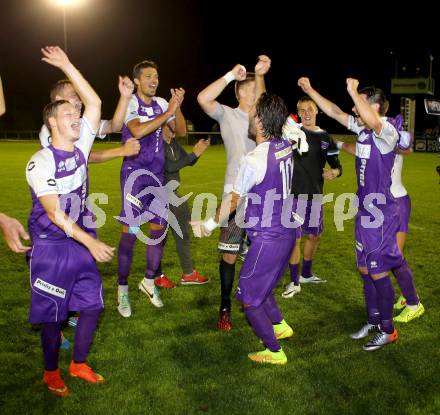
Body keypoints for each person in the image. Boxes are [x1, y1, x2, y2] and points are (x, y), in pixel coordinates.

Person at [298, 77, 416, 351]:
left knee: (377, 272)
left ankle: (388, 329)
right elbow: (335, 112)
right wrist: (310, 90)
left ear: (373, 106)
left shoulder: (384, 131)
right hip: (365, 211)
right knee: (364, 268)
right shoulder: (363, 131)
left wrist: (353, 91)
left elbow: (374, 122)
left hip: (381, 214)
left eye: (358, 103)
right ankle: (374, 321)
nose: (353, 109)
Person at [26, 46, 114, 396]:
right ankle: (51, 372)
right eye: (68, 112)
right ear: (51, 123)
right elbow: (52, 213)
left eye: (77, 112)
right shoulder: (41, 161)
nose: (77, 115)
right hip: (51, 248)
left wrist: (66, 64)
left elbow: (94, 103)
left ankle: (78, 363)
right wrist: (90, 241)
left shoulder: (81, 145)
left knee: (92, 305)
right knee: (52, 317)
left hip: (80, 241)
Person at [191, 93, 301, 364]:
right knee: (263, 288)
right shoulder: (284, 144)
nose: (248, 118)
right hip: (286, 232)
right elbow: (291, 131)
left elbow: (232, 200)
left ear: (262, 121)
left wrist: (206, 225)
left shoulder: (254, 160)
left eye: (253, 114)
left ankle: (274, 351)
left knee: (250, 297)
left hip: (268, 237)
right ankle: (280, 325)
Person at [197, 55, 271, 331]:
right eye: (249, 89)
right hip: (234, 194)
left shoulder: (263, 120)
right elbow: (203, 98)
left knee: (262, 255)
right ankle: (225, 307)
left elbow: (264, 102)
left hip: (262, 195)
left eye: (256, 90)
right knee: (229, 255)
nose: (254, 95)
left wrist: (260, 76)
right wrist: (230, 75)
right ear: (239, 92)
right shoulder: (228, 114)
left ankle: (259, 303)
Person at [336, 118, 424, 323]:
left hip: (396, 202)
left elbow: (405, 149)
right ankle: (398, 301)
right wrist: (339, 144)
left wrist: (404, 143)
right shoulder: (368, 133)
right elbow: (358, 150)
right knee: (383, 259)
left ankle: (413, 303)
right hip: (378, 207)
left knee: (395, 258)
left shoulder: (387, 132)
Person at [116, 59, 185, 317]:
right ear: (137, 81)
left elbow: (178, 130)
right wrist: (167, 114)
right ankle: (122, 289)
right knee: (131, 233)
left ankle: (148, 280)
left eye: (156, 76)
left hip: (156, 177)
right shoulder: (131, 103)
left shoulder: (162, 105)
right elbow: (138, 130)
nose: (154, 80)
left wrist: (177, 107)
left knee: (159, 228)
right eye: (148, 76)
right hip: (134, 176)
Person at [282, 97, 342, 298]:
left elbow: (336, 163)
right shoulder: (291, 133)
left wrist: (336, 172)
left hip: (315, 195)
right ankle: (294, 281)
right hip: (294, 195)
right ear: (298, 113)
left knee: (314, 236)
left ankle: (306, 274)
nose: (306, 113)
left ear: (316, 111)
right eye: (302, 110)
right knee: (295, 238)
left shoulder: (326, 138)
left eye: (310, 109)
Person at [153, 118, 210, 288]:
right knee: (160, 239)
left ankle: (187, 273)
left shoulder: (174, 143)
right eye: (170, 125)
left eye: (175, 126)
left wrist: (197, 153)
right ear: (162, 126)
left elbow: (189, 161)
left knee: (182, 234)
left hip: (174, 195)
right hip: (161, 195)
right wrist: (193, 154)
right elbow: (170, 167)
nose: (174, 128)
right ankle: (157, 275)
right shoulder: (157, 145)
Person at [39, 77, 140, 163]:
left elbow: (114, 126)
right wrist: (122, 151)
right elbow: (79, 156)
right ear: (59, 100)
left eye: (80, 96)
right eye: (74, 95)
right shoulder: (50, 127)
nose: (80, 100)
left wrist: (125, 97)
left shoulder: (82, 123)